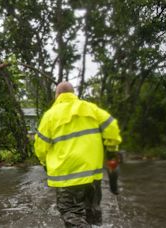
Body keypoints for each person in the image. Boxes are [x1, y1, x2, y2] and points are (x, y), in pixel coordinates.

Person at [34, 81, 122, 227]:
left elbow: (40, 147)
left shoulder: (50, 116)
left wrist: (45, 164)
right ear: (73, 94)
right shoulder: (91, 108)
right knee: (93, 213)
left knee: (70, 213)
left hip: (67, 178)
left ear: (57, 96)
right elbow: (112, 125)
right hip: (93, 176)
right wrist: (112, 149)